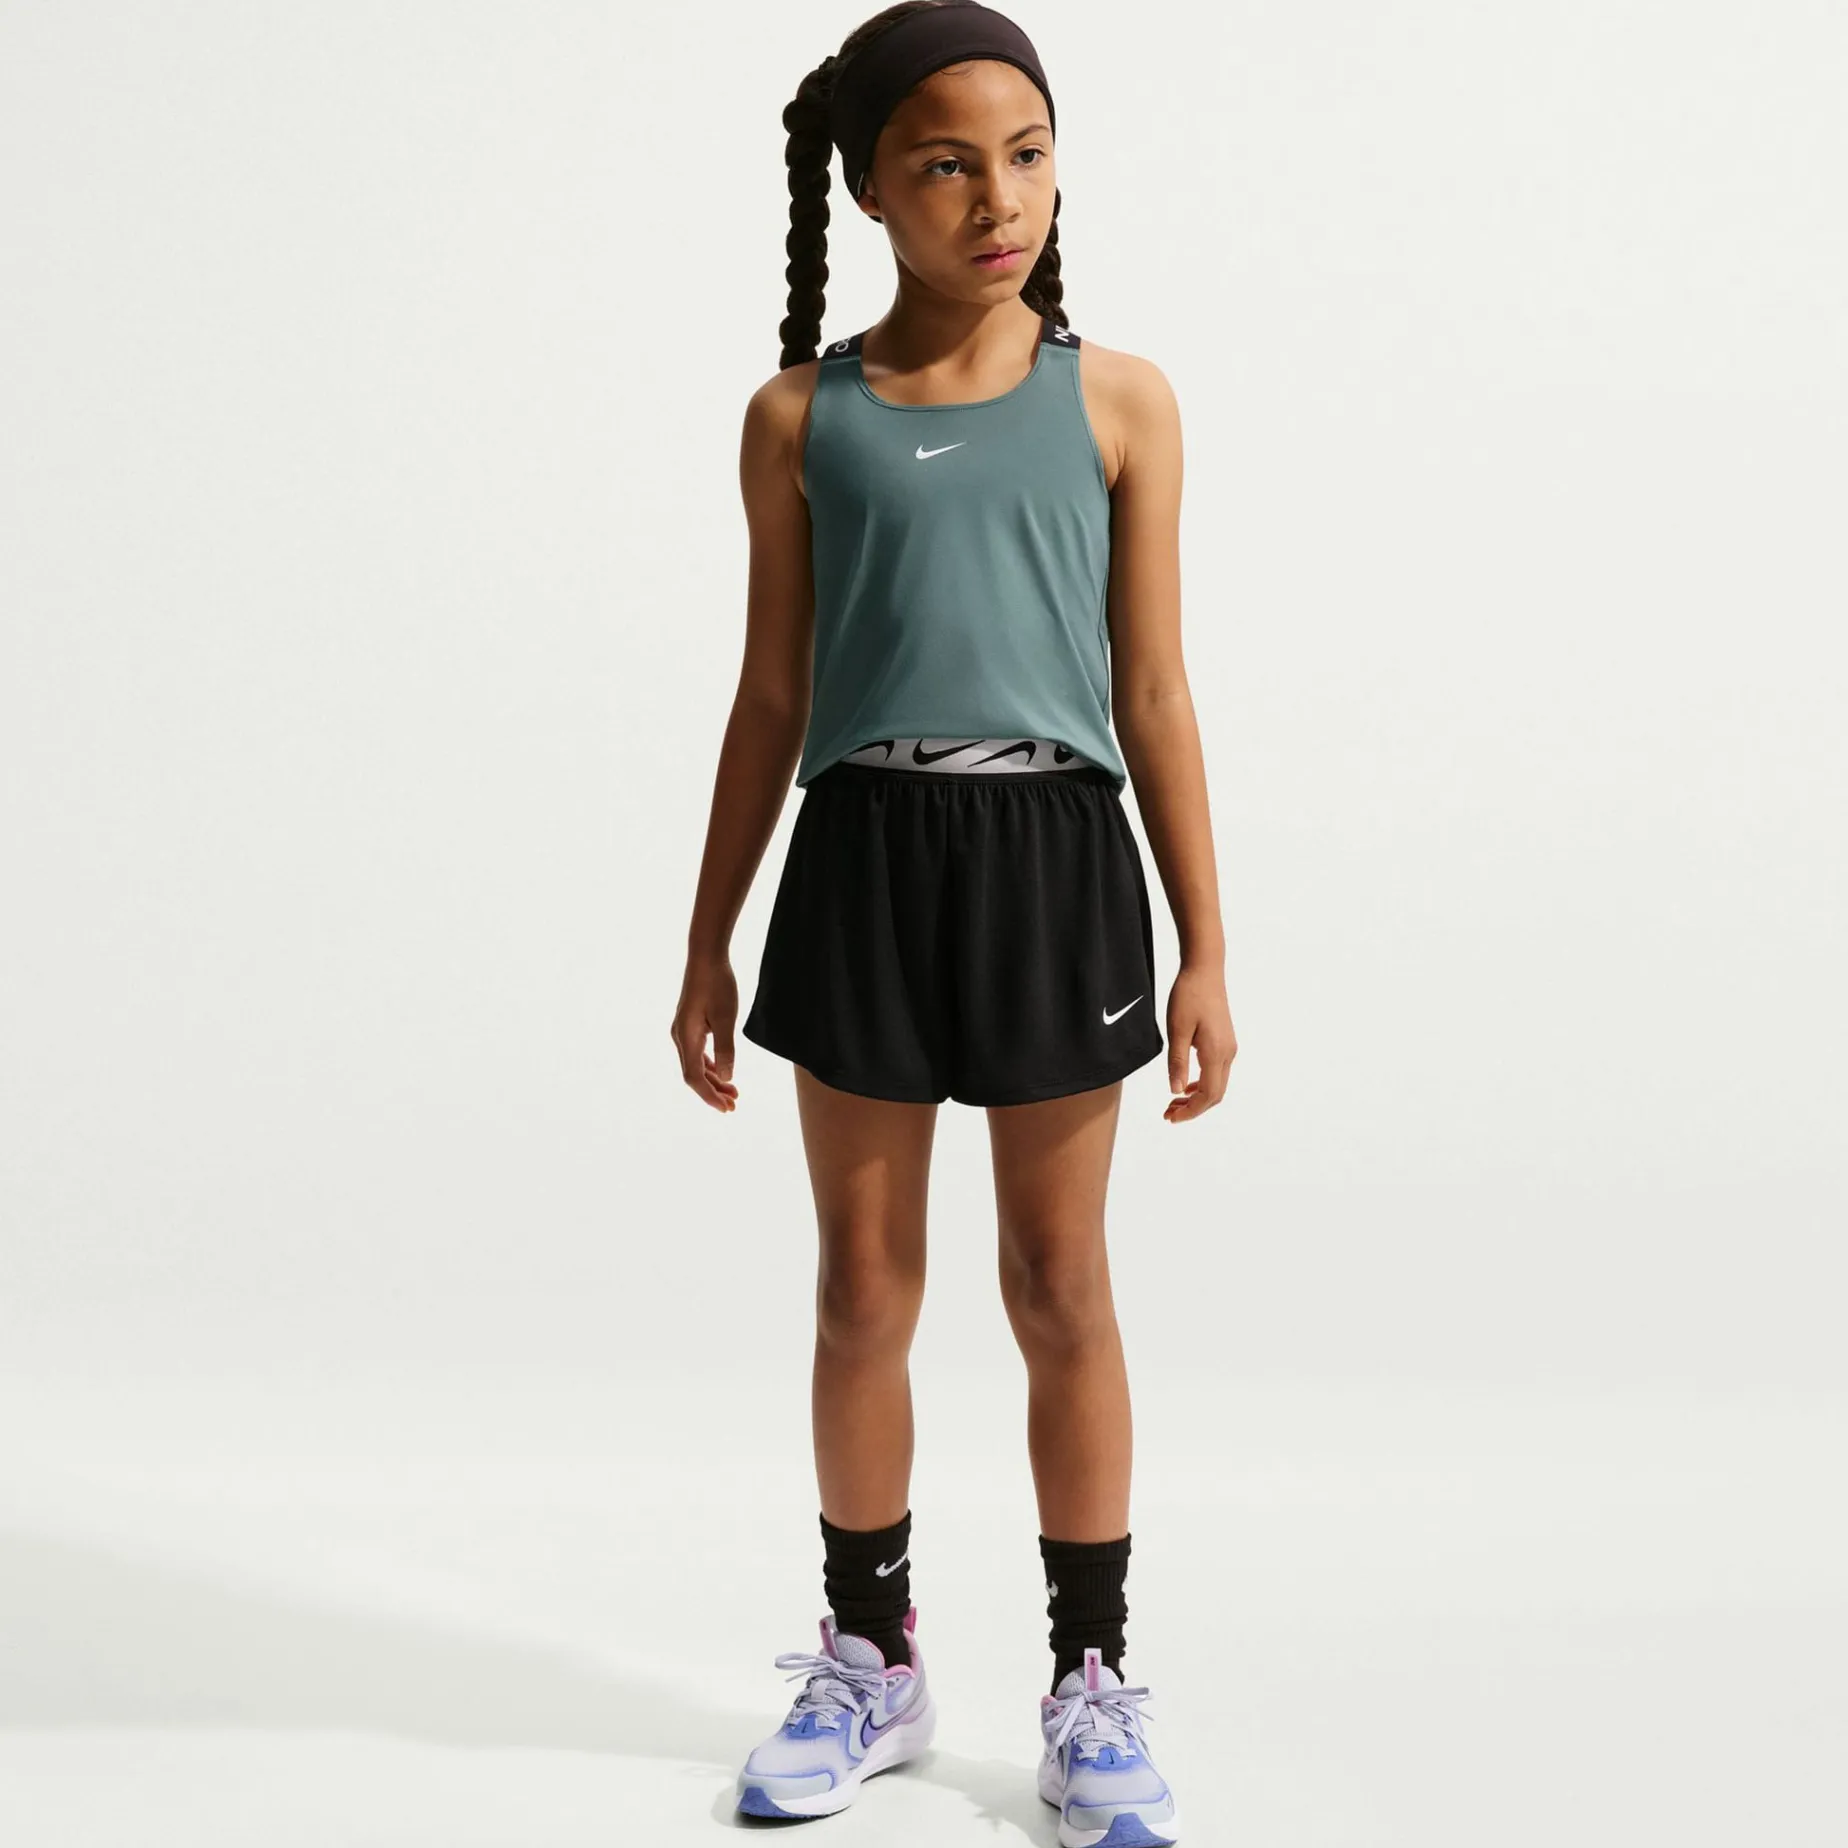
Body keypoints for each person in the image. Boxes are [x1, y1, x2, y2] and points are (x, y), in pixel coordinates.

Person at [669, 3, 1235, 1838]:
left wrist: (1207, 943)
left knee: (1059, 1287)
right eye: (947, 165)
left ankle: (1091, 1683)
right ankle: (873, 1656)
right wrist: (708, 935)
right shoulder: (800, 418)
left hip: (1055, 858)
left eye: (1027, 156)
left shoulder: (1119, 401)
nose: (999, 199)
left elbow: (1153, 690)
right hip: (862, 859)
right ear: (868, 191)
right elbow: (772, 695)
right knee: (862, 1289)